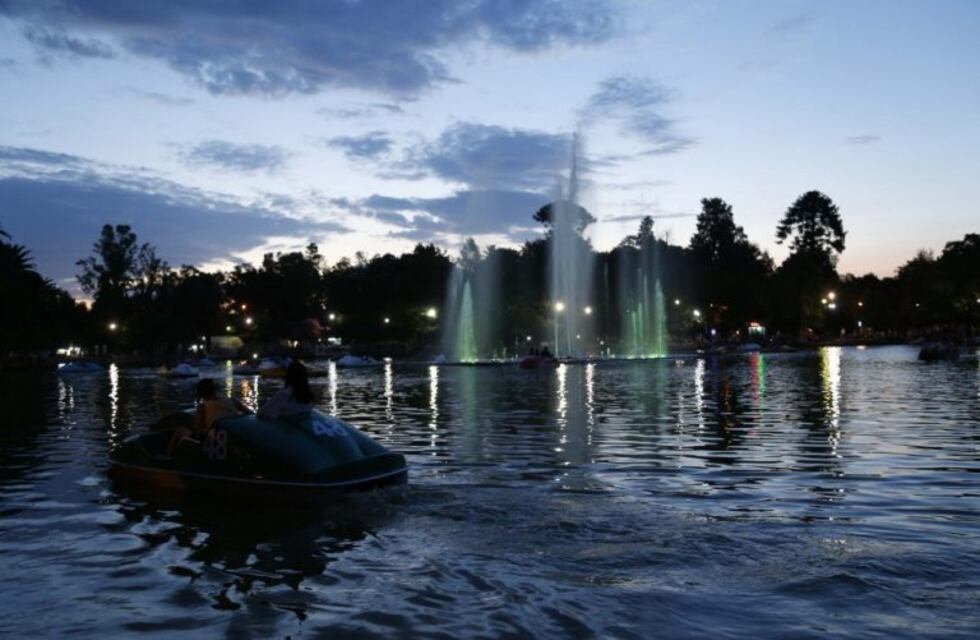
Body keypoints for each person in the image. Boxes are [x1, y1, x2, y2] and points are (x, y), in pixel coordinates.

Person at [168, 379, 248, 455]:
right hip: (231, 433)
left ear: (200, 393)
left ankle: (169, 457)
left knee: (179, 430)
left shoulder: (202, 406)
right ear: (214, 389)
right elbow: (249, 414)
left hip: (209, 439)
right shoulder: (232, 400)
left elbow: (198, 431)